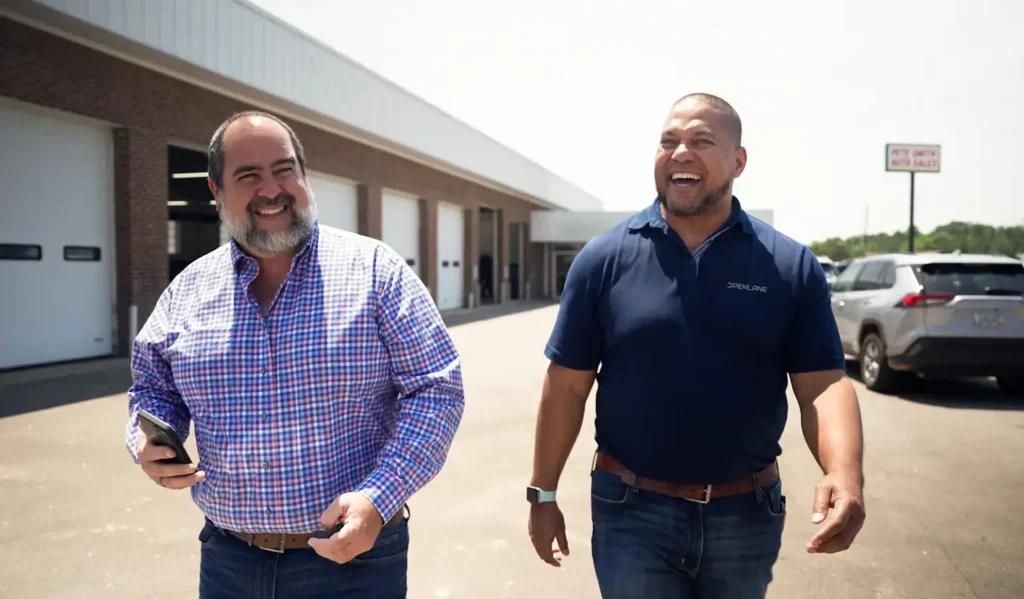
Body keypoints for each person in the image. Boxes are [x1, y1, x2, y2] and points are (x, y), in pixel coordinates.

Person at [526, 93, 865, 598]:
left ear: (739, 161)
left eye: (702, 141)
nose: (680, 152)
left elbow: (822, 386)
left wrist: (845, 471)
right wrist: (542, 493)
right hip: (630, 513)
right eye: (669, 141)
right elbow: (566, 387)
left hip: (746, 513)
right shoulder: (603, 260)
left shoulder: (789, 266)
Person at [123, 110, 465, 598]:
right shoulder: (187, 291)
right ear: (217, 190)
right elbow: (153, 388)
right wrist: (149, 442)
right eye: (248, 175)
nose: (271, 190)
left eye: (284, 170)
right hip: (228, 562)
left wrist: (379, 496)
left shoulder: (375, 272)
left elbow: (436, 389)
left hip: (352, 562)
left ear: (304, 175)